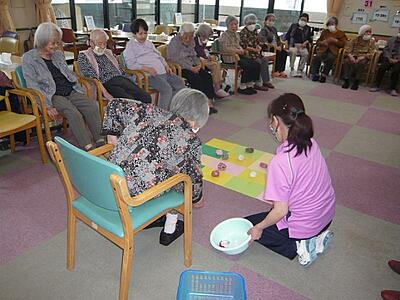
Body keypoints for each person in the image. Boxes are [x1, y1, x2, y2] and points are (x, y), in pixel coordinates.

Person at [102, 88, 209, 246]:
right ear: (196, 120)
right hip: (135, 196)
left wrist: (112, 138)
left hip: (109, 178)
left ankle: (157, 217)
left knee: (169, 167)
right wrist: (197, 199)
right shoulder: (191, 141)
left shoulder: (148, 109)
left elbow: (114, 104)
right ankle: (169, 229)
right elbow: (193, 179)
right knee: (182, 180)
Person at [246, 93, 335, 266]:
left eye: (271, 121)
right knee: (269, 219)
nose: (270, 125)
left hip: (306, 223)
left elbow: (280, 211)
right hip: (327, 214)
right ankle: (316, 236)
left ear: (276, 121)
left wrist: (258, 228)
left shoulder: (280, 162)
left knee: (249, 225)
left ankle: (300, 245)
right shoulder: (310, 142)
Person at [22, 22, 103, 151]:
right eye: (53, 43)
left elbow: (68, 74)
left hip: (70, 89)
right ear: (42, 41)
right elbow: (32, 85)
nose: (56, 46)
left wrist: (78, 87)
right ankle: (87, 145)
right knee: (73, 113)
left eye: (58, 43)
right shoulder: (29, 58)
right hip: (52, 95)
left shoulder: (58, 55)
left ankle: (100, 139)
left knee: (91, 105)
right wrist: (46, 106)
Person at [77, 29, 152, 104]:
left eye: (105, 43)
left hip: (120, 79)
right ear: (91, 43)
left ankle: (143, 115)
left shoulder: (108, 52)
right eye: (99, 44)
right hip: (107, 83)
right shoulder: (84, 56)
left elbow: (120, 69)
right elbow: (93, 77)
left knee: (146, 97)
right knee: (130, 101)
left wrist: (130, 80)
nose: (103, 46)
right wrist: (106, 93)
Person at [123, 19, 185, 109]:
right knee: (167, 89)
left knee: (180, 83)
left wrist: (166, 66)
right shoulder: (130, 46)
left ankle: (171, 108)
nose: (143, 36)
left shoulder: (149, 43)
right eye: (140, 34)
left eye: (145, 33)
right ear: (134, 34)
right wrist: (147, 69)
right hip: (148, 75)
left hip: (163, 72)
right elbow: (130, 64)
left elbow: (159, 56)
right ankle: (161, 115)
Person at [167, 23, 218, 114]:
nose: (188, 39)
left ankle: (208, 102)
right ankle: (199, 105)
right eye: (186, 36)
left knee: (207, 76)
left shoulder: (191, 41)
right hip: (181, 67)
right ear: (181, 34)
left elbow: (194, 54)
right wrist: (191, 68)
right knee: (196, 79)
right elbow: (175, 59)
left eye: (190, 36)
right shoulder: (174, 42)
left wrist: (198, 64)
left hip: (192, 65)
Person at [219, 16, 261, 95]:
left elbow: (238, 45)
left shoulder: (236, 34)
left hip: (238, 55)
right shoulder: (224, 35)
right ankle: (242, 87)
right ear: (227, 25)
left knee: (256, 64)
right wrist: (238, 50)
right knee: (247, 65)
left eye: (236, 24)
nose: (234, 26)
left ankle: (249, 84)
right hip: (229, 57)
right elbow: (225, 48)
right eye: (232, 24)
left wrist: (241, 49)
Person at [239, 14, 274, 91]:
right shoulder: (243, 32)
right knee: (258, 62)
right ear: (246, 24)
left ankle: (266, 81)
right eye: (250, 23)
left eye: (253, 23)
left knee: (264, 60)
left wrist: (258, 46)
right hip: (247, 53)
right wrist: (253, 49)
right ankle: (257, 83)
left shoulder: (254, 31)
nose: (252, 25)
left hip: (255, 53)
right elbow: (243, 46)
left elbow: (257, 42)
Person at [194, 24, 230, 98]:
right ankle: (217, 88)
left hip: (203, 59)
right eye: (207, 36)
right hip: (196, 60)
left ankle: (218, 86)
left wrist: (209, 56)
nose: (207, 38)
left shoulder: (203, 41)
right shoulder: (194, 40)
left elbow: (204, 51)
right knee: (215, 65)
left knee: (216, 63)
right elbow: (192, 53)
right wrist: (201, 57)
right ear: (202, 34)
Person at [310, 16, 347, 83]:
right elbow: (318, 42)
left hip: (333, 51)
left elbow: (343, 44)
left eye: (332, 24)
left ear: (336, 24)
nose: (331, 26)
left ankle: (324, 75)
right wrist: (323, 42)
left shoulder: (341, 33)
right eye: (329, 24)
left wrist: (335, 41)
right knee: (317, 57)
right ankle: (315, 74)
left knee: (330, 58)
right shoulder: (325, 32)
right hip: (323, 49)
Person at [341, 25, 375, 90]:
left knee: (362, 63)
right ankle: (346, 80)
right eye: (366, 32)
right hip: (353, 55)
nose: (368, 33)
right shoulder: (355, 39)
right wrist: (351, 56)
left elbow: (371, 53)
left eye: (370, 32)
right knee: (346, 61)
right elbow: (348, 49)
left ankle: (356, 81)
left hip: (364, 57)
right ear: (362, 32)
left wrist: (362, 57)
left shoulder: (371, 41)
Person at [370, 28, 400, 97]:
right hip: (388, 58)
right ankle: (376, 85)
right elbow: (385, 50)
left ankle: (392, 88)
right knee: (382, 67)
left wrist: (397, 60)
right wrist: (389, 57)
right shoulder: (391, 39)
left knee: (396, 70)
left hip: (398, 60)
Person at [259, 13, 288, 78]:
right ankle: (275, 71)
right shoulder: (264, 30)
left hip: (276, 46)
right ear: (266, 21)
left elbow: (278, 39)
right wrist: (275, 47)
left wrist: (280, 45)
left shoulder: (274, 29)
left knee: (284, 52)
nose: (271, 22)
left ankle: (281, 70)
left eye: (273, 20)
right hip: (269, 48)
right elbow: (263, 41)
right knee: (278, 53)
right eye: (270, 20)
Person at [285, 13, 313, 77]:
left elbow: (310, 38)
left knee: (306, 53)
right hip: (293, 44)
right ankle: (292, 69)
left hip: (302, 45)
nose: (303, 21)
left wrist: (305, 42)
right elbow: (287, 35)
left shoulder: (308, 28)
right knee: (293, 51)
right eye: (302, 19)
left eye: (305, 20)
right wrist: (286, 43)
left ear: (307, 21)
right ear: (299, 19)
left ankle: (300, 69)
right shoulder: (293, 25)